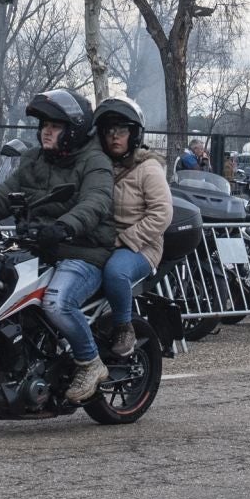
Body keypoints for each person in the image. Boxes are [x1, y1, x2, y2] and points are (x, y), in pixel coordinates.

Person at [0, 89, 115, 402]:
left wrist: (64, 227)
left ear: (74, 130)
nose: (46, 130)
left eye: (55, 125)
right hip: (40, 248)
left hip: (82, 252)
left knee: (56, 302)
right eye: (44, 124)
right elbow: (2, 196)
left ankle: (90, 362)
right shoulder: (34, 159)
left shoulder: (95, 162)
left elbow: (96, 203)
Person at [93, 96, 170, 358]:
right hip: (104, 241)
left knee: (116, 272)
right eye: (109, 131)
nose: (115, 137)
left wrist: (126, 238)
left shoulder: (148, 168)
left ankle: (124, 327)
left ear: (134, 134)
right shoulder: (98, 166)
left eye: (122, 131)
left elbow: (162, 213)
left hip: (141, 246)